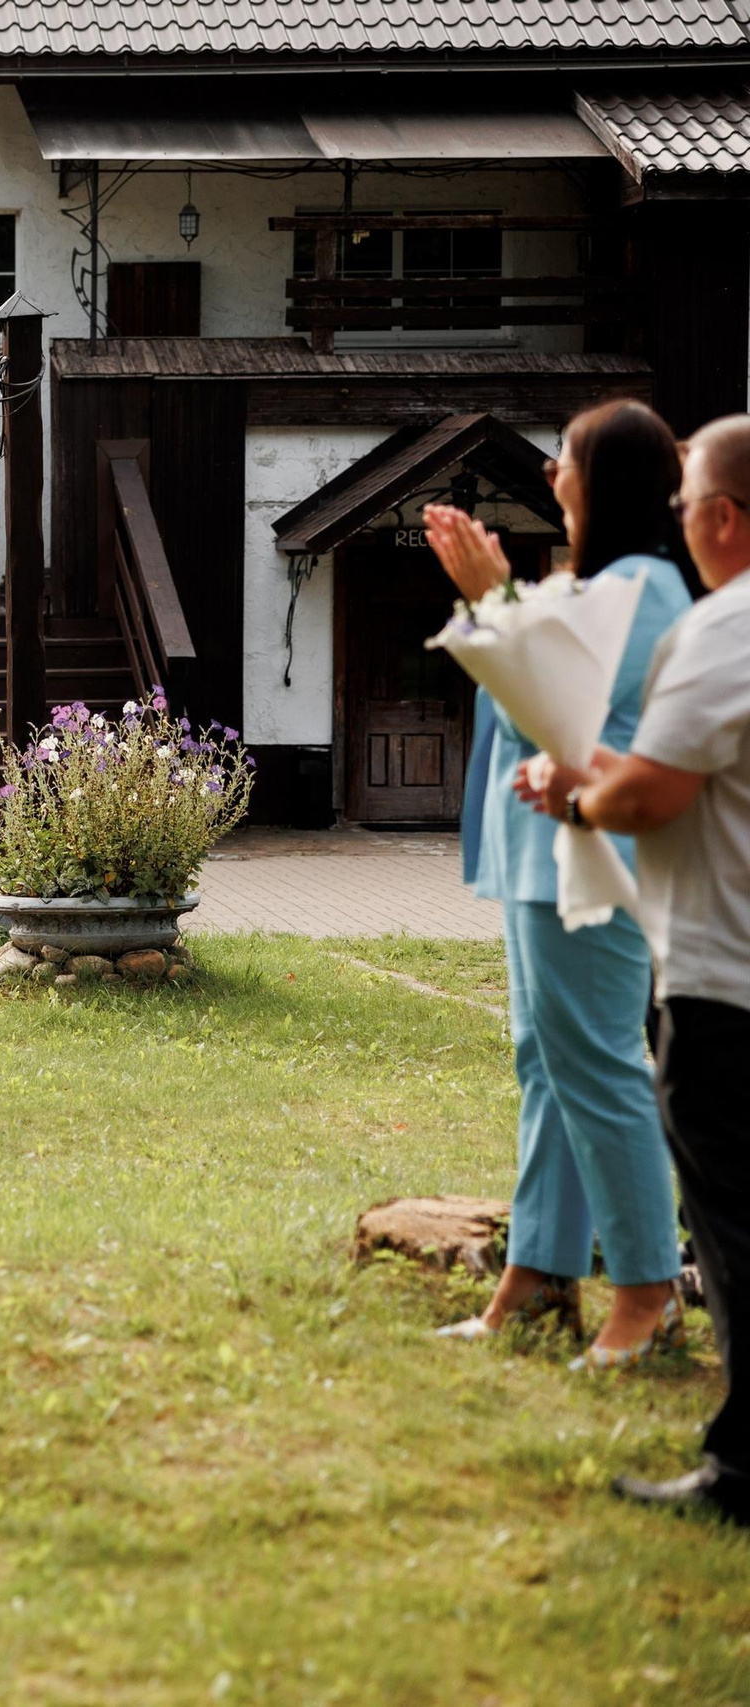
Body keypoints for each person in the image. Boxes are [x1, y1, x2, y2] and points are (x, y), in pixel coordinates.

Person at [421, 400, 693, 1370]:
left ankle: (647, 1294)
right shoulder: (601, 582)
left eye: (563, 459)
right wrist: (503, 600)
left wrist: (494, 601)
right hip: (537, 855)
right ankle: (536, 1278)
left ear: (607, 480)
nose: (548, 475)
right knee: (546, 1065)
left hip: (586, 857)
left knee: (599, 1070)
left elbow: (548, 699)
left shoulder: (640, 589)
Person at [519, 413, 750, 1526]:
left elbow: (652, 790)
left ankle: (733, 1447)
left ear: (715, 516)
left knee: (732, 1217)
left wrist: (577, 790)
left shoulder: (707, 620)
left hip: (720, 969)